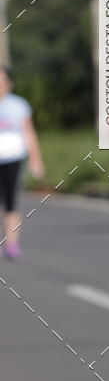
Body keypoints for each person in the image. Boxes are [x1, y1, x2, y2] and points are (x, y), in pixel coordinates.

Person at [0, 66, 45, 259]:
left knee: (11, 201)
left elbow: (29, 133)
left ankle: (11, 244)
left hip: (13, 159)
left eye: (2, 81)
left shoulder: (19, 106)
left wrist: (36, 159)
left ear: (9, 83)